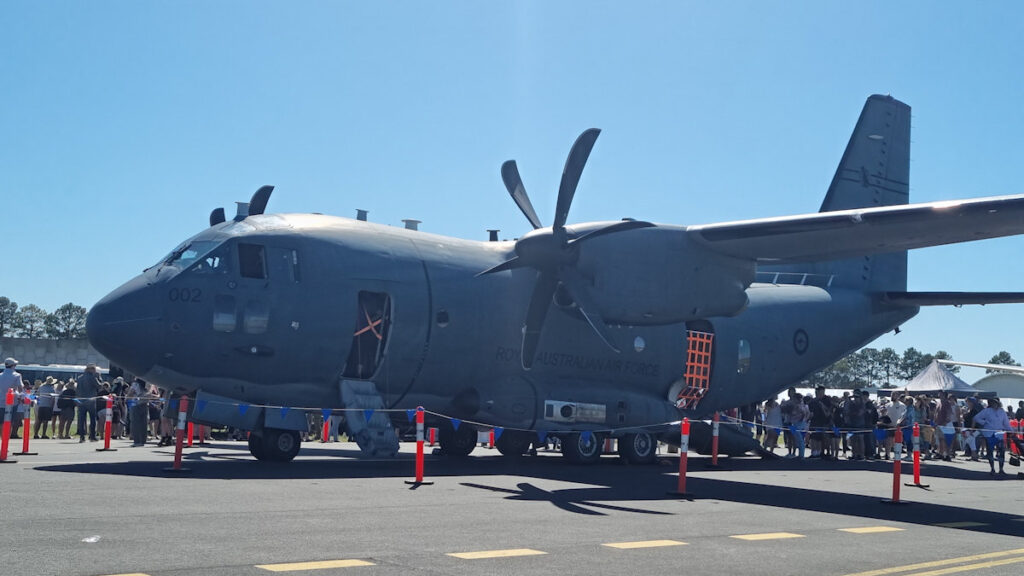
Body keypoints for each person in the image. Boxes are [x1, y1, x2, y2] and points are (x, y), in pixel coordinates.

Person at [973, 397, 1012, 475]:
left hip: (999, 434)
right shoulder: (986, 411)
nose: (994, 404)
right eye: (992, 403)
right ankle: (992, 468)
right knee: (990, 451)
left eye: (996, 403)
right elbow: (976, 418)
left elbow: (1006, 423)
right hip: (989, 434)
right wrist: (984, 422)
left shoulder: (1002, 412)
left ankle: (1001, 469)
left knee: (1001, 451)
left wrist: (1010, 431)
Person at [75, 363, 103, 442]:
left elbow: (77, 389)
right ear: (90, 369)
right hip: (91, 400)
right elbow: (99, 386)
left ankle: (82, 436)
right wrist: (99, 377)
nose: (95, 371)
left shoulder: (80, 378)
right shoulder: (92, 377)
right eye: (94, 369)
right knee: (92, 419)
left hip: (81, 400)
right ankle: (92, 436)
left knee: (81, 419)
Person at [127, 378, 150, 447]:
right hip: (145, 404)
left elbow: (130, 393)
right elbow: (149, 393)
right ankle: (143, 440)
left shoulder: (135, 384)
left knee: (135, 423)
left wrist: (128, 396)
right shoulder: (147, 384)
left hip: (136, 404)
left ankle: (137, 441)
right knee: (143, 423)